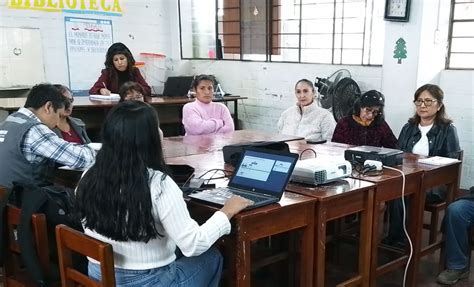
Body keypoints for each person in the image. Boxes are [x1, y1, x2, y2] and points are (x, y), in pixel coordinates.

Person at [75, 101, 252, 286]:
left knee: (174, 246)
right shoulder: (159, 185)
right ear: (149, 139)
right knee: (211, 257)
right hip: (148, 280)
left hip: (99, 274)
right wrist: (226, 212)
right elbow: (193, 245)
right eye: (157, 127)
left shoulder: (89, 175)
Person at [384, 84, 461, 273]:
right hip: (408, 179)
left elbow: (453, 162)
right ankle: (396, 238)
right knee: (394, 191)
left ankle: (402, 239)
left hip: (434, 184)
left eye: (428, 101)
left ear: (439, 105)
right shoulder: (408, 127)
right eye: (419, 101)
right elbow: (398, 154)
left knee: (404, 194)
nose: (423, 106)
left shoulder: (447, 129)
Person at [0, 84, 95, 188]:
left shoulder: (9, 121)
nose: (58, 121)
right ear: (48, 107)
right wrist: (90, 149)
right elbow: (81, 159)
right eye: (59, 115)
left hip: (6, 197)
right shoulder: (35, 130)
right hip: (26, 200)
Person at [331, 90, 398, 148]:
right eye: (368, 110)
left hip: (372, 161)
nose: (370, 115)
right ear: (360, 107)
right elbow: (335, 148)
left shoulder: (381, 125)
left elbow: (394, 147)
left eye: (375, 112)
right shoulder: (344, 123)